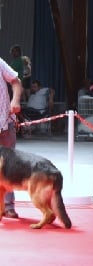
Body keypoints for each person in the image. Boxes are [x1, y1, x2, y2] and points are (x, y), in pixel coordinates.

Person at [0, 56, 23, 218]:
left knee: (8, 167)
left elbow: (16, 82)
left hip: (5, 121)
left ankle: (8, 206)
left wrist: (15, 100)